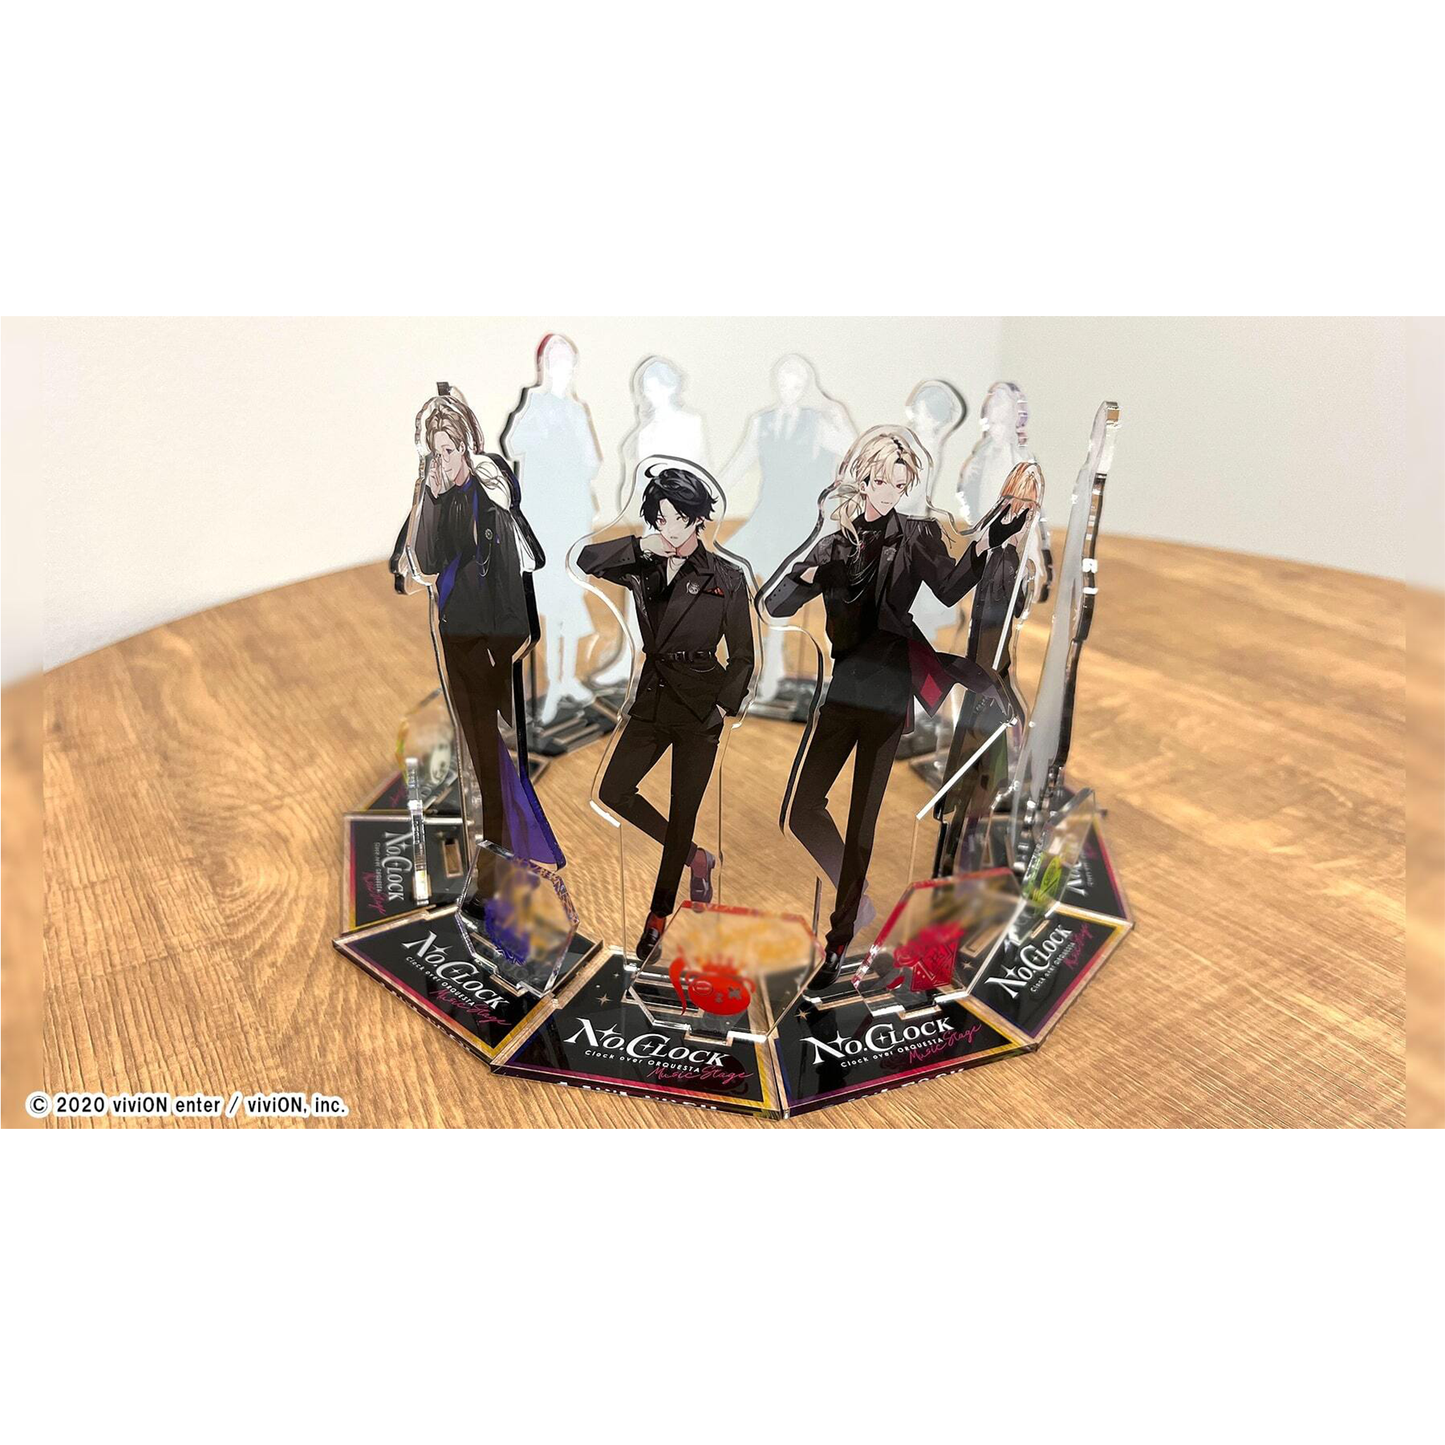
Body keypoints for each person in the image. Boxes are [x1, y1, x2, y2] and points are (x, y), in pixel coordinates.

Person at [765, 427, 1027, 981]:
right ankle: (856, 896)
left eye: (899, 484)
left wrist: (988, 541)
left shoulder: (915, 534)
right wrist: (814, 560)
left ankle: (839, 938)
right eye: (881, 480)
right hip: (844, 686)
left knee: (862, 818)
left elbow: (951, 587)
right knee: (803, 808)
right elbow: (777, 604)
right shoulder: (835, 542)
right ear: (862, 478)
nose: (889, 492)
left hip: (888, 688)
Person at [577, 463, 755, 961]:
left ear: (698, 519)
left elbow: (743, 655)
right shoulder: (644, 564)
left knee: (682, 814)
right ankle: (696, 857)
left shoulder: (727, 576)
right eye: (661, 518)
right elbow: (587, 559)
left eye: (679, 518)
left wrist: (721, 706)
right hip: (654, 696)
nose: (669, 529)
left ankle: (657, 916)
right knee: (614, 790)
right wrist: (640, 546)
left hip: (700, 707)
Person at [397, 387, 561, 870]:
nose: (443, 461)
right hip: (454, 635)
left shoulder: (490, 504)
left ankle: (501, 845)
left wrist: (502, 648)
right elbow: (426, 560)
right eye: (435, 454)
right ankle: (505, 842)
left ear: (466, 447)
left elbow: (509, 581)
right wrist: (429, 495)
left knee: (489, 749)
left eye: (448, 451)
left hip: (489, 643)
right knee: (476, 746)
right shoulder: (443, 500)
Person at [934, 461, 1046, 875]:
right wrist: (985, 544)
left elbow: (1019, 609)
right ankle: (954, 855)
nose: (1020, 514)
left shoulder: (1018, 563)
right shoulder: (995, 554)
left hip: (995, 672)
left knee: (986, 774)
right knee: (970, 772)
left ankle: (964, 854)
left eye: (1028, 509)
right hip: (981, 673)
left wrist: (1024, 558)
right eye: (1014, 505)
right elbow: (953, 590)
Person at [721, 355, 854, 700]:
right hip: (767, 516)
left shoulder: (817, 423)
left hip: (801, 522)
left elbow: (853, 451)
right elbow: (740, 462)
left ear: (805, 387)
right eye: (784, 383)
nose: (789, 391)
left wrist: (842, 419)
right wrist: (709, 492)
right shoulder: (762, 422)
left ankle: (773, 670)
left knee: (781, 591)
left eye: (796, 385)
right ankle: (756, 660)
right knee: (730, 567)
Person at [501, 334, 602, 725]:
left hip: (572, 515)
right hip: (545, 518)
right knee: (550, 601)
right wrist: (542, 425)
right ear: (544, 365)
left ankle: (567, 678)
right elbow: (512, 443)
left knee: (571, 597)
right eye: (556, 361)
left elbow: (592, 461)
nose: (563, 368)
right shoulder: (535, 404)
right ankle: (552, 683)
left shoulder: (577, 410)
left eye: (568, 361)